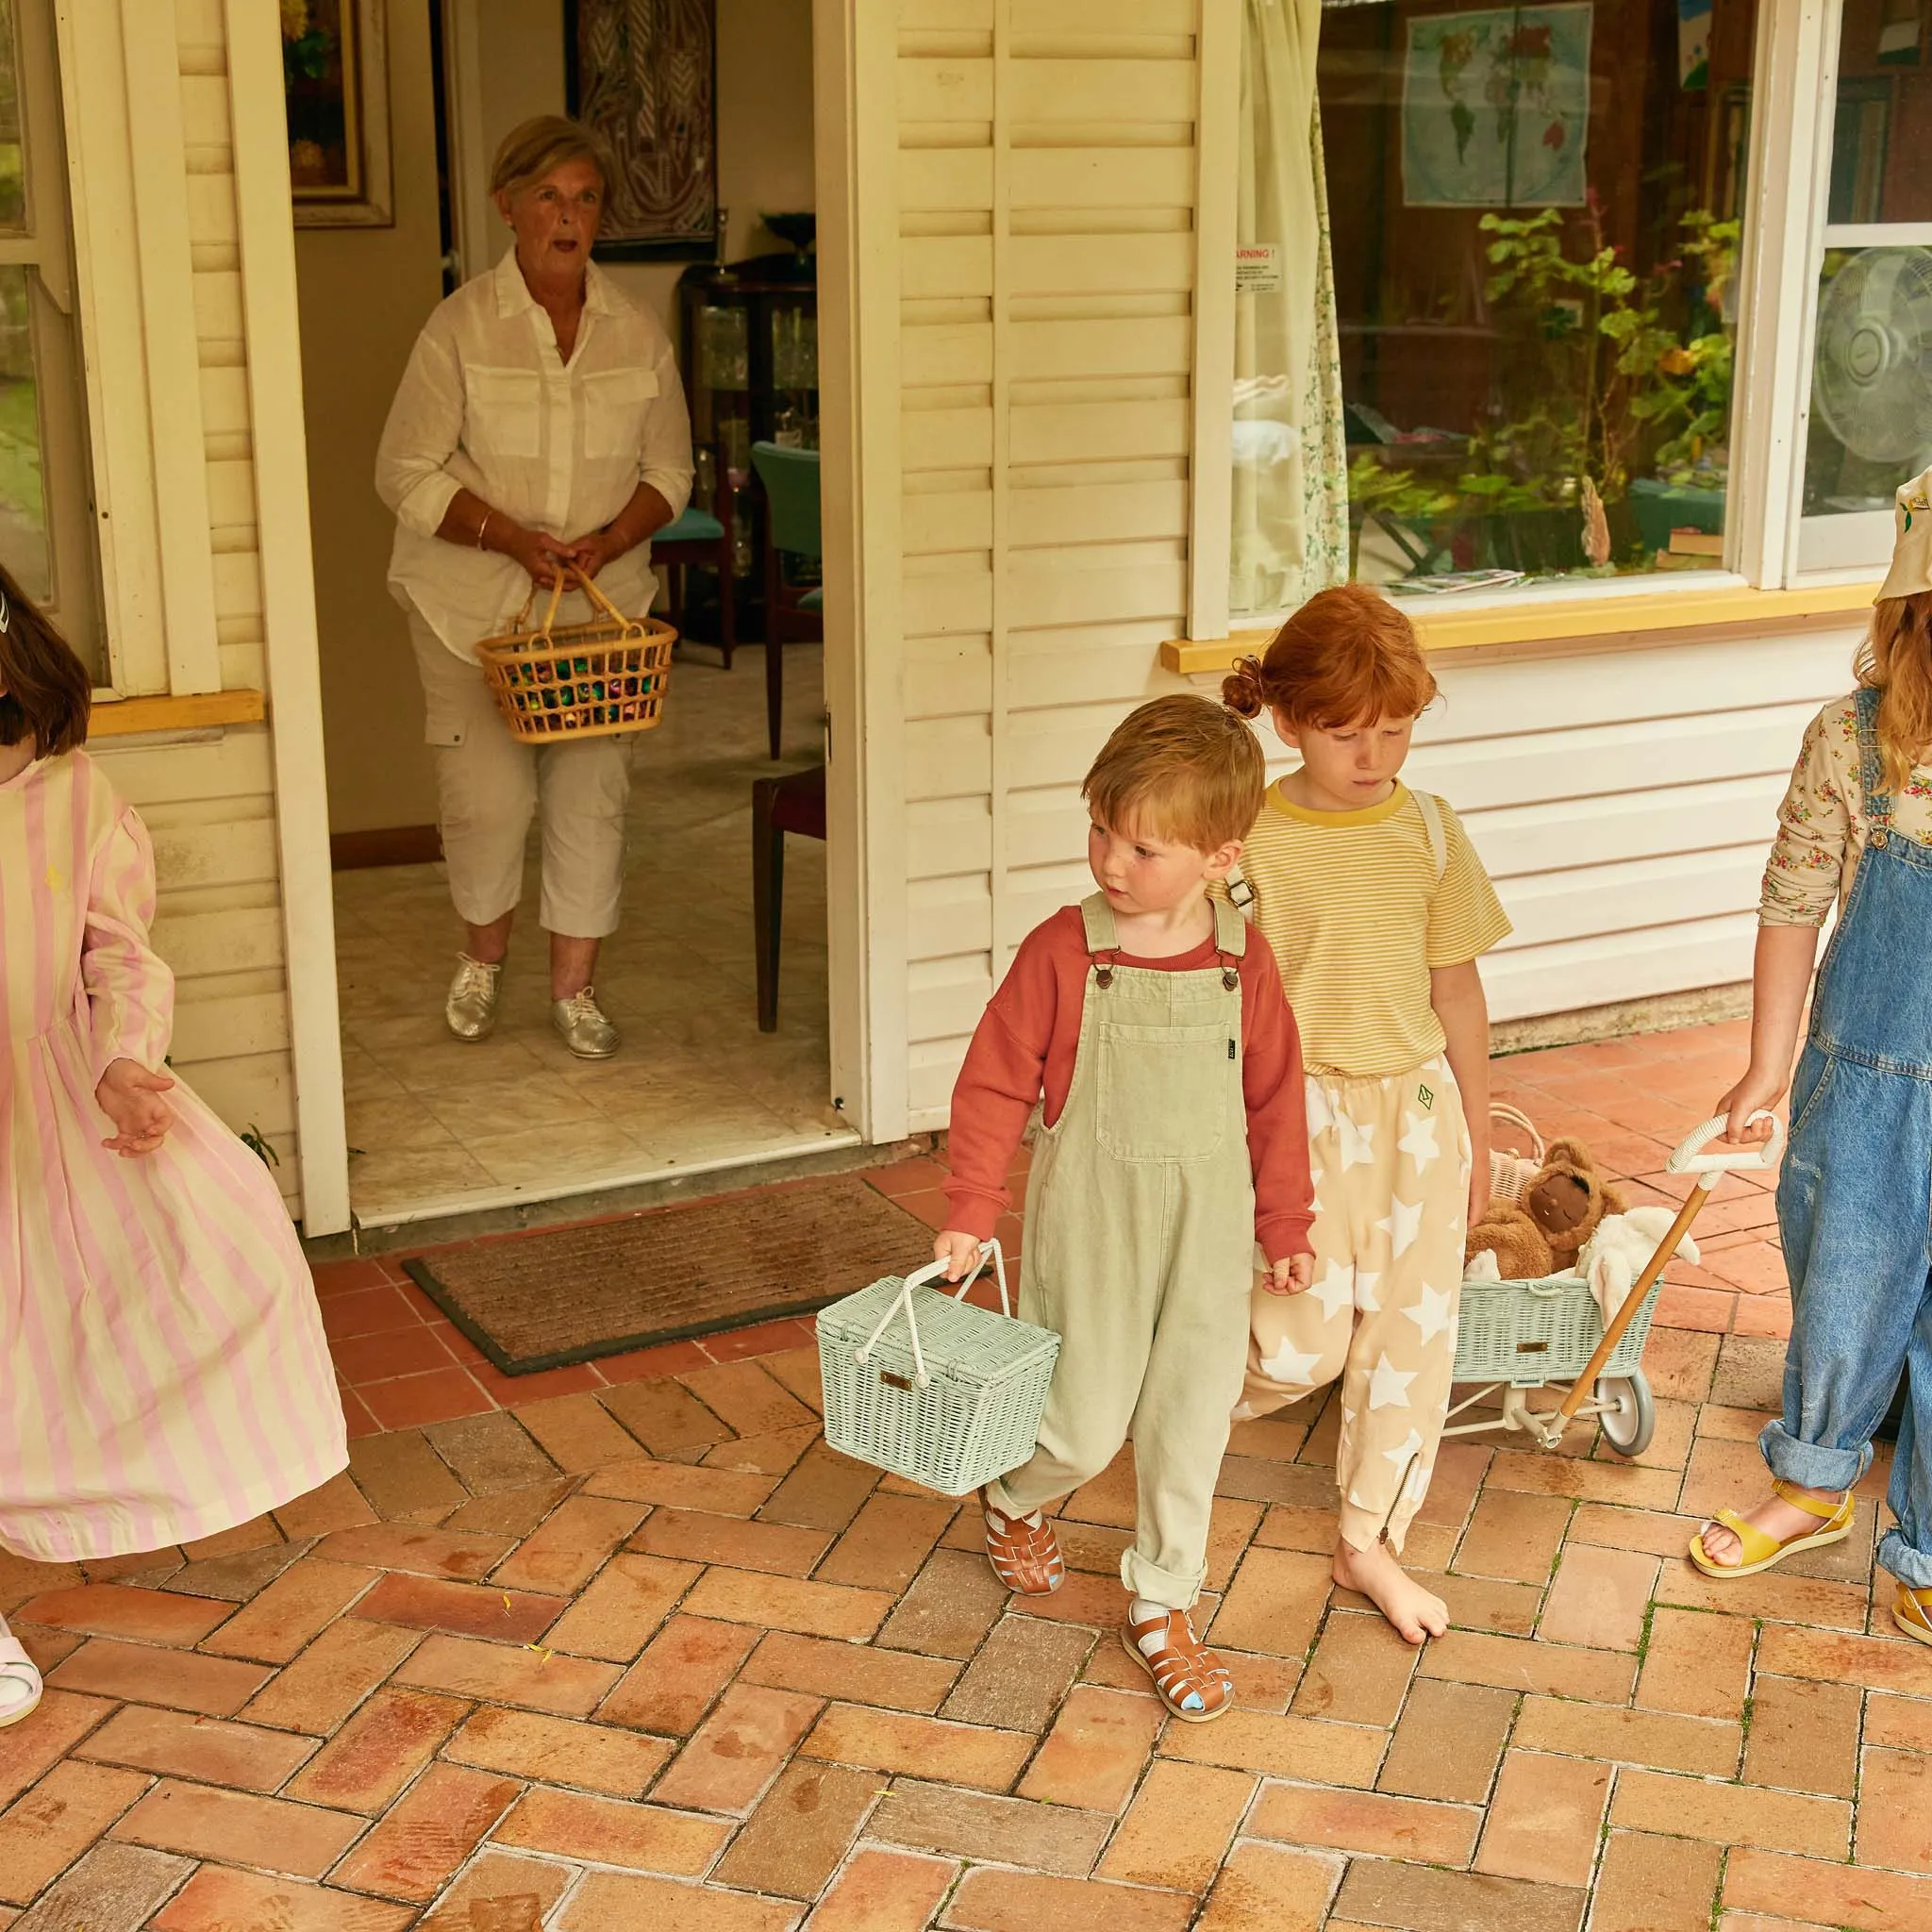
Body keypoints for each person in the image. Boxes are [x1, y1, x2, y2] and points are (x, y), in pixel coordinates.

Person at [0, 567, 348, 1728]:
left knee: (205, 1254)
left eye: (12, 735)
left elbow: (117, 950)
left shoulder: (76, 795)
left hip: (56, 1108)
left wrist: (124, 1056)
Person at [934, 695, 1314, 1722]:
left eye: (1142, 846)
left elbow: (1275, 1098)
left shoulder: (1243, 961)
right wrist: (972, 1203)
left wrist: (1285, 1224)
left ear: (1217, 855)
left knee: (1191, 1418)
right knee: (1082, 1424)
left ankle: (1162, 1598)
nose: (1110, 859)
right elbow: (992, 1081)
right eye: (1099, 827)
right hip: (1090, 1223)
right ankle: (1013, 1492)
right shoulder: (1064, 951)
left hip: (1210, 1226)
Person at [1220, 584, 1510, 1645]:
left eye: (1394, 729)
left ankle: (1367, 1538)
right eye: (1347, 732)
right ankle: (1167, 1403)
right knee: (1300, 1342)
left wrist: (1475, 1132)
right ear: (1289, 719)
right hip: (1294, 1114)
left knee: (1409, 1334)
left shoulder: (1429, 832)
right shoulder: (1242, 835)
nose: (1374, 754)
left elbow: (1457, 991)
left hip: (1418, 1110)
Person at [375, 114, 693, 1060]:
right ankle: (481, 959)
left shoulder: (635, 332)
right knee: (487, 800)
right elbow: (403, 470)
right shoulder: (460, 328)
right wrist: (513, 539)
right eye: (548, 197)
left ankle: (573, 988)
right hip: (470, 608)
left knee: (592, 794)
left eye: (585, 198)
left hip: (599, 614)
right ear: (506, 207)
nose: (568, 217)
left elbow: (670, 471)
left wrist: (609, 539)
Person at [1692, 467, 1932, 1645]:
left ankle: (1926, 1546)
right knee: (1842, 1281)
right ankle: (1811, 1481)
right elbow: (1791, 903)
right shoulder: (1850, 742)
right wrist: (1764, 1063)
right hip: (1865, 1080)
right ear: (1912, 610)